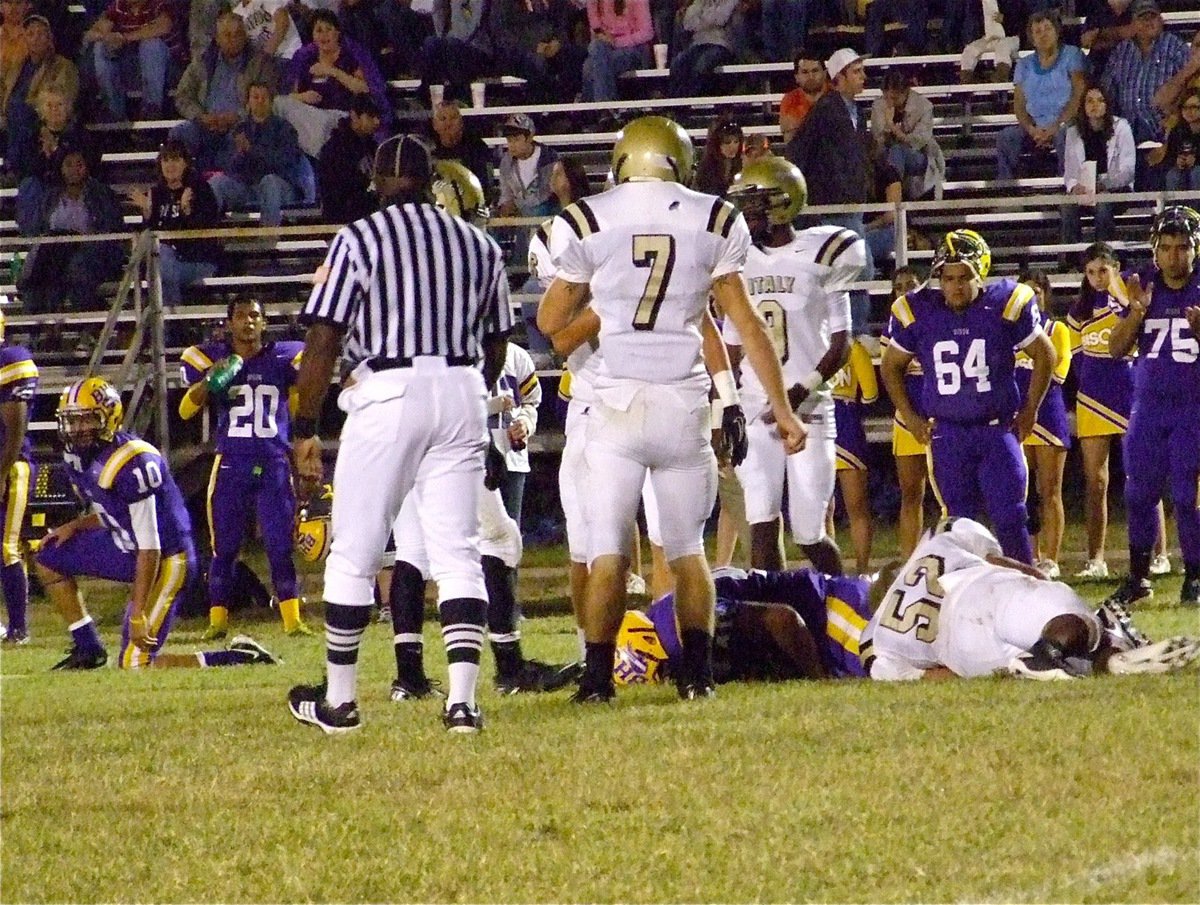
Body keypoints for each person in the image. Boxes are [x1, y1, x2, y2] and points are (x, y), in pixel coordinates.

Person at [537, 115, 807, 703]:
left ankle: (596, 679)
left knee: (608, 551)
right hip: (684, 406)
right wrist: (781, 411)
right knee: (688, 552)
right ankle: (697, 676)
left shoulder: (587, 218)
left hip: (615, 406)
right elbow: (743, 324)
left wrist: (609, 302)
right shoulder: (715, 217)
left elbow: (550, 324)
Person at [287, 134, 513, 735]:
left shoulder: (359, 238)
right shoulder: (478, 243)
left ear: (378, 183)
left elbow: (325, 337)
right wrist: (470, 395)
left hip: (387, 390)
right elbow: (497, 342)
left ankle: (340, 701)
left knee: (354, 553)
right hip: (463, 387)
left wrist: (305, 426)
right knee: (459, 552)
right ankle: (463, 703)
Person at [35, 378, 279, 671]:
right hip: (125, 544)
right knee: (47, 555)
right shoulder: (76, 456)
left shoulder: (133, 461)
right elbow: (114, 511)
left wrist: (137, 612)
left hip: (167, 559)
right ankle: (88, 649)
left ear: (109, 417)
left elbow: (149, 546)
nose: (77, 430)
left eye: (87, 420)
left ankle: (239, 657)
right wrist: (75, 526)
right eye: (71, 421)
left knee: (135, 663)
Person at [880, 229, 1055, 565]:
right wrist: (911, 417)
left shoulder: (1004, 304)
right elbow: (890, 366)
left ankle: (1023, 589)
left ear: (981, 274)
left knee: (1011, 515)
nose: (956, 286)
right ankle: (965, 592)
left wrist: (1030, 408)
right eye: (948, 278)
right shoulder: (918, 310)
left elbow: (1045, 354)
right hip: (948, 432)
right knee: (958, 524)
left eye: (964, 277)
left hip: (996, 429)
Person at [723, 154, 862, 576]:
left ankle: (846, 610)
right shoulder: (739, 260)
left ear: (782, 203)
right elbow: (732, 345)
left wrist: (798, 394)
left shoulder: (823, 253)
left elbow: (841, 345)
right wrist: (725, 405)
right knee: (761, 521)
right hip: (753, 405)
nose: (746, 214)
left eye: (755, 203)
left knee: (809, 532)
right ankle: (772, 621)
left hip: (810, 408)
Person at [859, 516, 1199, 681]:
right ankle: (1095, 645)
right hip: (985, 591)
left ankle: (1092, 664)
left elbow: (932, 678)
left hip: (963, 648)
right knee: (1078, 625)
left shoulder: (876, 638)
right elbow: (1001, 561)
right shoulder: (936, 540)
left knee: (1066, 656)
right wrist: (1035, 578)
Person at [179, 297, 314, 640]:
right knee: (223, 547)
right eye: (241, 316)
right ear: (229, 323)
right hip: (231, 462)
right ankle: (218, 621)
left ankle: (292, 620)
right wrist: (210, 382)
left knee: (280, 544)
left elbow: (303, 397)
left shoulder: (284, 357)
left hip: (274, 462)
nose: (248, 322)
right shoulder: (214, 358)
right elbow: (184, 412)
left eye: (254, 316)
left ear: (264, 323)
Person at [1107, 206, 1200, 607]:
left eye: (1183, 248)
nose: (1175, 256)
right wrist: (1138, 313)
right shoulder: (1139, 284)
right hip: (1148, 407)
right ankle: (1139, 576)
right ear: (1155, 250)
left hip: (1193, 407)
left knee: (1186, 495)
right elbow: (1115, 349)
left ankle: (1195, 575)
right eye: (1167, 248)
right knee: (1138, 493)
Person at [1065, 242, 1170, 580]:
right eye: (1091, 271)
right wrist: (1090, 385)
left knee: (1142, 476)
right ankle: (1096, 559)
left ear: (1115, 268)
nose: (1097, 277)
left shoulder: (1130, 300)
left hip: (1132, 394)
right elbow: (1076, 359)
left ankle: (1160, 554)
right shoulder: (1078, 310)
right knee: (1095, 482)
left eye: (1103, 270)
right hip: (1093, 399)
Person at [613, 565, 873, 687]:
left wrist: (820, 679)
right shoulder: (661, 617)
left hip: (830, 611)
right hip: (823, 610)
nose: (667, 679)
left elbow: (783, 619)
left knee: (894, 664)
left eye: (664, 673)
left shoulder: (675, 629)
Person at [786, 48, 873, 336]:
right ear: (841, 76)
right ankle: (854, 332)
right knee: (858, 269)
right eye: (856, 71)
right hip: (835, 205)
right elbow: (799, 151)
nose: (863, 77)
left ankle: (852, 331)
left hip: (849, 204)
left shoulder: (851, 110)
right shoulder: (826, 109)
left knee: (859, 269)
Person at [15, 148, 124, 313]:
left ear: (87, 166)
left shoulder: (101, 194)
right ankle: (40, 330)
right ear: (61, 168)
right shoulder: (50, 197)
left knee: (72, 269)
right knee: (43, 270)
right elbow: (38, 229)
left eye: (79, 164)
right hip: (55, 252)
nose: (74, 170)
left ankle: (94, 324)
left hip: (92, 253)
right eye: (69, 165)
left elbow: (110, 229)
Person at [171, 10, 279, 173]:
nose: (233, 40)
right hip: (206, 123)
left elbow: (267, 100)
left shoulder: (259, 62)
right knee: (179, 134)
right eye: (227, 35)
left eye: (237, 34)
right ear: (217, 38)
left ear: (245, 36)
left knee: (239, 140)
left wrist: (238, 116)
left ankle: (225, 186)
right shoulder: (203, 61)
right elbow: (182, 96)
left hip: (241, 124)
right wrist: (200, 116)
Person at [1016, 270, 1071, 580]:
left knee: (1050, 491)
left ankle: (1050, 558)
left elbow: (1059, 373)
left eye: (1037, 291)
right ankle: (1028, 556)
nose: (1033, 297)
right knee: (1021, 494)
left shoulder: (1056, 328)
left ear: (1046, 295)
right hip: (1018, 414)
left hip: (1048, 414)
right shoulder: (1009, 330)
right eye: (1026, 292)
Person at [275, 9, 390, 158]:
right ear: (313, 36)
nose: (324, 35)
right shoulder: (306, 61)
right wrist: (302, 97)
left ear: (337, 33)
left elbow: (364, 88)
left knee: (320, 126)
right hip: (311, 117)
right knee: (278, 103)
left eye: (328, 30)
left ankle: (323, 155)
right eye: (319, 31)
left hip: (340, 118)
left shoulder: (348, 57)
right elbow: (292, 96)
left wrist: (332, 71)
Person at [128, 140, 222, 306]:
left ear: (185, 163)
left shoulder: (199, 189)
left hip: (196, 261)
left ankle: (167, 324)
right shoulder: (156, 193)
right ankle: (170, 323)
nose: (170, 165)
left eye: (176, 160)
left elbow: (206, 231)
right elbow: (150, 236)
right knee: (160, 262)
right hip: (163, 263)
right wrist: (148, 213)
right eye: (166, 160)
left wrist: (187, 211)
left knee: (161, 264)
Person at [994, 9, 1086, 181]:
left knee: (1065, 136)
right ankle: (1006, 190)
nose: (1043, 34)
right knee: (1006, 138)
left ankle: (1067, 185)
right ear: (1032, 38)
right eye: (1038, 31)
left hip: (1066, 123)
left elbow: (1077, 96)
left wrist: (1056, 125)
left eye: (1047, 29)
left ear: (1057, 31)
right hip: (1034, 127)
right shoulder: (1024, 64)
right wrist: (1031, 129)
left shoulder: (1072, 55)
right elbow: (1019, 105)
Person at [207, 81, 302, 228]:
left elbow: (285, 161)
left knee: (269, 181)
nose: (260, 101)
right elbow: (225, 164)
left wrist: (251, 150)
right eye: (255, 97)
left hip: (280, 187)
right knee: (217, 182)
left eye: (264, 97)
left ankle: (268, 240)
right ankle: (210, 238)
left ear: (271, 101)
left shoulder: (284, 128)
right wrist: (238, 154)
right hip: (246, 187)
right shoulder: (239, 129)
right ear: (248, 102)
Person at [883, 264, 930, 558]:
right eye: (898, 287)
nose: (904, 292)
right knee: (911, 493)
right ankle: (910, 560)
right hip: (908, 415)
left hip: (943, 413)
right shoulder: (893, 326)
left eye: (910, 285)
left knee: (952, 493)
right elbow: (891, 375)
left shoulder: (935, 317)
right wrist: (909, 416)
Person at [1100, 0, 1189, 147]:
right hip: (1126, 134)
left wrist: (1177, 115)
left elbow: (1190, 86)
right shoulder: (1121, 51)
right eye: (1143, 18)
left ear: (1161, 20)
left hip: (1165, 131)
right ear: (1133, 23)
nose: (1149, 22)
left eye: (1152, 17)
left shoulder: (1175, 46)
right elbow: (1107, 92)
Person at [3, 12, 78, 181]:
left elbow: (64, 98)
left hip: (44, 117)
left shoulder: (63, 66)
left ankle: (13, 168)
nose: (35, 38)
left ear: (49, 38)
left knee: (18, 109)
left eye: (41, 33)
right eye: (30, 34)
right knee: (15, 110)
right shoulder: (18, 66)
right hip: (14, 118)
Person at [0, 305, 36, 646]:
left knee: (6, 547)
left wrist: (1, 472)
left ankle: (19, 629)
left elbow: (15, 429)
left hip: (10, 465)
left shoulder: (10, 359)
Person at [1060, 83, 1135, 244]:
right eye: (1090, 101)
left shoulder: (1121, 127)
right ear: (1083, 106)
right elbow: (1070, 172)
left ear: (1107, 105)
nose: (1095, 105)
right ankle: (1070, 261)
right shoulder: (1073, 132)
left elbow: (1128, 170)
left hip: (1114, 189)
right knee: (1067, 205)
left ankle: (1103, 253)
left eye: (1100, 101)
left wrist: (1104, 183)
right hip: (1085, 189)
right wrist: (1074, 187)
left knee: (1103, 203)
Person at [830, 335, 877, 576]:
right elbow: (870, 394)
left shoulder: (805, 342)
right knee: (857, 508)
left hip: (816, 420)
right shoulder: (853, 347)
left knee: (821, 510)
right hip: (846, 424)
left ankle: (830, 574)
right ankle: (862, 571)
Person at [82, 0, 174, 121]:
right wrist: (108, 37)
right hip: (129, 64)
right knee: (100, 47)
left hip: (165, 66)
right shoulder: (120, 6)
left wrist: (125, 38)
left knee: (151, 45)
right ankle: (114, 113)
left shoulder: (159, 4)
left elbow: (164, 27)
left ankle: (152, 110)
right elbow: (91, 33)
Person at [869, 70, 944, 200]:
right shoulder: (879, 105)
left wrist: (894, 129)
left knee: (897, 151)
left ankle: (893, 202)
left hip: (918, 154)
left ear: (905, 93)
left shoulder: (924, 106)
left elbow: (920, 141)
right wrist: (887, 130)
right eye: (886, 97)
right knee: (890, 154)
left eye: (894, 98)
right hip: (885, 153)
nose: (889, 102)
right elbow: (877, 139)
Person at [316, 93, 381, 223]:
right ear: (354, 116)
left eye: (378, 116)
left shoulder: (372, 147)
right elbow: (338, 194)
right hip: (343, 221)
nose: (376, 121)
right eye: (370, 116)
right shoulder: (335, 149)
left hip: (368, 218)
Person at [579, 0, 652, 103]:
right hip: (605, 50)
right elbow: (596, 29)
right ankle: (605, 108)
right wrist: (592, 4)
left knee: (589, 67)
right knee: (595, 48)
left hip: (634, 48)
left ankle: (601, 107)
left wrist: (616, 42)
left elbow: (647, 33)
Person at [666, 0, 739, 99]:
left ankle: (693, 101)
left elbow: (721, 19)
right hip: (697, 44)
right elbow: (688, 24)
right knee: (677, 64)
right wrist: (707, 20)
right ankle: (677, 106)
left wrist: (701, 18)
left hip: (720, 44)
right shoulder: (699, 2)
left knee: (701, 65)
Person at [428, 101, 493, 199]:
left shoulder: (477, 147)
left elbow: (485, 186)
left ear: (461, 122)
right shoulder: (427, 149)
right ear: (434, 125)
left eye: (453, 118)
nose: (448, 123)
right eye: (443, 119)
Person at [1155, 88, 1200, 191]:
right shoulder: (1177, 131)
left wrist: (1196, 160)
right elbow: (1169, 157)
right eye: (1185, 107)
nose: (1189, 111)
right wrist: (1177, 161)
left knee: (1197, 173)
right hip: (1181, 170)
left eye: (1194, 107)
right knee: (1173, 175)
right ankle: (1176, 207)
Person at [778, 49, 826, 145]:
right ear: (796, 77)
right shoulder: (790, 100)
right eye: (805, 72)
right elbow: (790, 141)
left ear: (824, 73)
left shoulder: (836, 96)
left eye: (815, 71)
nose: (811, 76)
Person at [230, 0, 302, 60]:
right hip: (266, 64)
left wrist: (266, 55)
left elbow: (283, 22)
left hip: (290, 52)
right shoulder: (236, 13)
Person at [693, 115, 742, 195]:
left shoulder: (739, 163)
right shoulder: (708, 169)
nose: (732, 147)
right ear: (717, 144)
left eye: (736, 142)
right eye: (727, 142)